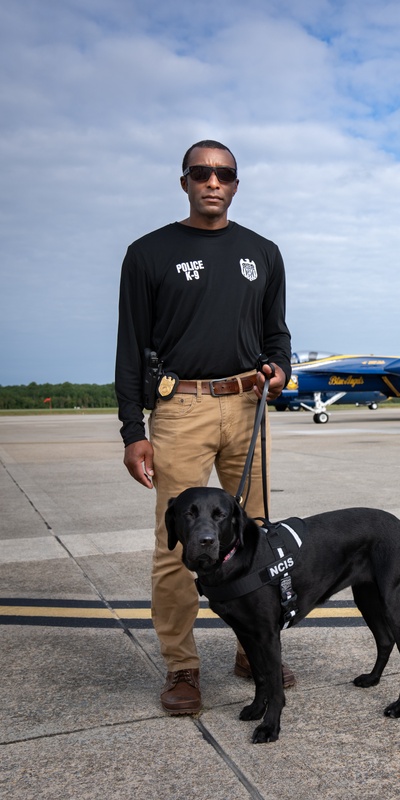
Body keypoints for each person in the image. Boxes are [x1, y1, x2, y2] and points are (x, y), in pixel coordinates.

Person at [115, 140, 293, 715]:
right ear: (185, 181)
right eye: (201, 173)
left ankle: (253, 650)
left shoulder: (263, 253)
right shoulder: (147, 253)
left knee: (255, 537)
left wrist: (279, 368)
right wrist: (131, 429)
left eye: (224, 174)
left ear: (237, 184)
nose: (213, 182)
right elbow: (129, 347)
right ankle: (183, 669)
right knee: (178, 547)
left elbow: (277, 334)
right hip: (180, 408)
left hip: (248, 404)